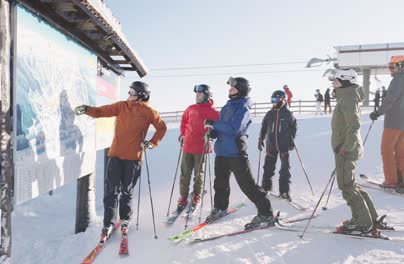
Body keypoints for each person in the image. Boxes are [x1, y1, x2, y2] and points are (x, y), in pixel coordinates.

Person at [74, 81, 167, 239]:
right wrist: (87, 109)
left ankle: (125, 219)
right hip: (115, 155)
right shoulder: (121, 106)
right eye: (129, 90)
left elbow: (162, 127)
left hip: (133, 158)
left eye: (132, 92)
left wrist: (151, 143)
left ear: (141, 96)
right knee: (111, 191)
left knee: (126, 191)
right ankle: (108, 223)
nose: (129, 94)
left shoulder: (149, 112)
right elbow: (101, 111)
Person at [205, 77, 274, 227]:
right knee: (220, 183)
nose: (229, 90)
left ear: (241, 90)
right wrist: (212, 132)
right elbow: (220, 128)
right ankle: (220, 207)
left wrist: (215, 123)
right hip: (222, 151)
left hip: (235, 152)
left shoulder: (243, 109)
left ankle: (266, 213)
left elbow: (234, 129)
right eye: (229, 88)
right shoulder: (226, 107)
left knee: (247, 185)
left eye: (233, 88)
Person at [329, 68, 380, 234]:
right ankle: (370, 217)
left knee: (346, 186)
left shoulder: (348, 98)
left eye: (335, 80)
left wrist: (346, 147)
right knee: (350, 185)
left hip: (346, 148)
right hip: (345, 147)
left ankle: (362, 222)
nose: (332, 83)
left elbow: (354, 125)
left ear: (345, 81)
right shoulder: (346, 97)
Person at [370, 55, 404, 194]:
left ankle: (391, 181)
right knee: (401, 150)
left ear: (401, 65)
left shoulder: (398, 80)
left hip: (395, 121)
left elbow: (390, 99)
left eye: (392, 66)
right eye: (389, 66)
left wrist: (378, 112)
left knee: (387, 149)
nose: (390, 70)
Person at [176, 84, 220, 213]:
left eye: (200, 93)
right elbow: (184, 122)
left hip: (202, 147)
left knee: (199, 174)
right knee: (185, 174)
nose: (197, 95)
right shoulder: (190, 108)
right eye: (196, 93)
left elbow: (216, 129)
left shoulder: (214, 112)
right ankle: (183, 196)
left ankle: (197, 195)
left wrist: (211, 136)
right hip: (187, 146)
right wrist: (183, 134)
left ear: (207, 95)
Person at [258, 90, 297, 200]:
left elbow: (293, 126)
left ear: (282, 99)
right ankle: (265, 187)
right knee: (268, 167)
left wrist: (292, 139)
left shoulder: (287, 114)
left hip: (283, 144)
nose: (273, 102)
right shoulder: (270, 114)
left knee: (285, 169)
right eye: (272, 100)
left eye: (275, 100)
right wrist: (261, 138)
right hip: (271, 144)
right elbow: (264, 127)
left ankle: (284, 191)